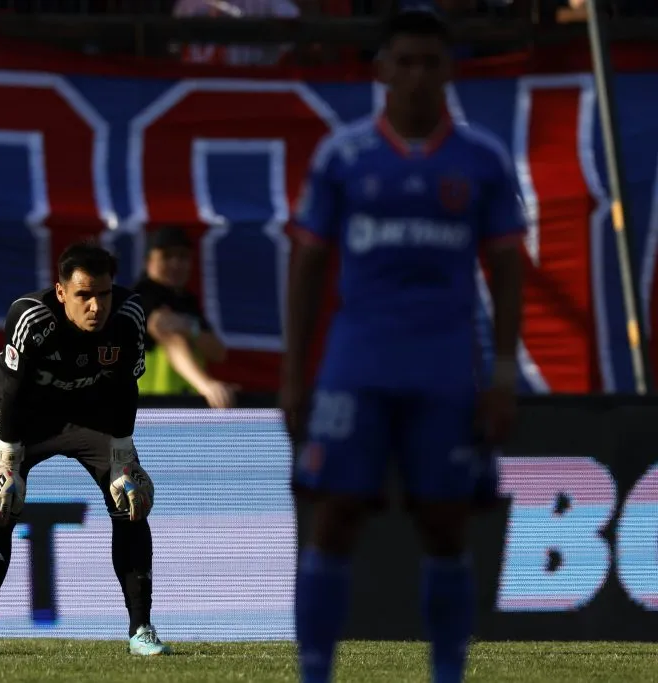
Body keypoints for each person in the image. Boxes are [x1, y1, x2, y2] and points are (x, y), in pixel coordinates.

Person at [280, 9, 524, 683]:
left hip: (445, 369)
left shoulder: (482, 161)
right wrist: (294, 373)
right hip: (355, 366)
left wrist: (501, 376)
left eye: (431, 63)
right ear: (382, 70)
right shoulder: (343, 155)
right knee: (334, 517)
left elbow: (507, 268)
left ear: (449, 71)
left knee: (445, 523)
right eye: (405, 62)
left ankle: (447, 672)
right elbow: (306, 265)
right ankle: (314, 670)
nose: (417, 75)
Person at [0, 241, 171, 657]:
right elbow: (14, 392)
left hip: (90, 413)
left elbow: (126, 387)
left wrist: (123, 456)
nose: (96, 306)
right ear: (61, 292)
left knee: (131, 501)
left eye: (103, 294)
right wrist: (9, 461)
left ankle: (141, 630)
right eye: (84, 295)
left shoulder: (129, 316)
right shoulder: (31, 317)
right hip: (22, 415)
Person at [134, 226, 237, 409]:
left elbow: (218, 352)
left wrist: (190, 327)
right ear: (148, 261)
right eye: (166, 256)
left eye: (182, 256)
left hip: (182, 407)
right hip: (144, 409)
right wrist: (206, 385)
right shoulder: (141, 296)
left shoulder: (187, 302)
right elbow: (165, 331)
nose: (175, 264)